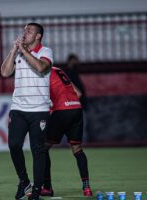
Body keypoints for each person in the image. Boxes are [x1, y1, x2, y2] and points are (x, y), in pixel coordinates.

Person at [1, 22, 53, 200]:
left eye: (29, 31)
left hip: (39, 109)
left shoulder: (45, 51)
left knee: (37, 149)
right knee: (14, 145)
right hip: (18, 108)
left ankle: (37, 191)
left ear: (38, 36)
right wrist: (14, 50)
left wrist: (24, 51)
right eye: (24, 30)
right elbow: (5, 72)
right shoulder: (19, 53)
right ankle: (24, 182)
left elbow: (41, 68)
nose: (24, 33)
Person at [41, 66, 93, 197]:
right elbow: (78, 93)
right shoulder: (58, 70)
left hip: (61, 110)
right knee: (77, 149)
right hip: (76, 108)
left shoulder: (41, 72)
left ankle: (47, 188)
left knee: (43, 148)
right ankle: (86, 188)